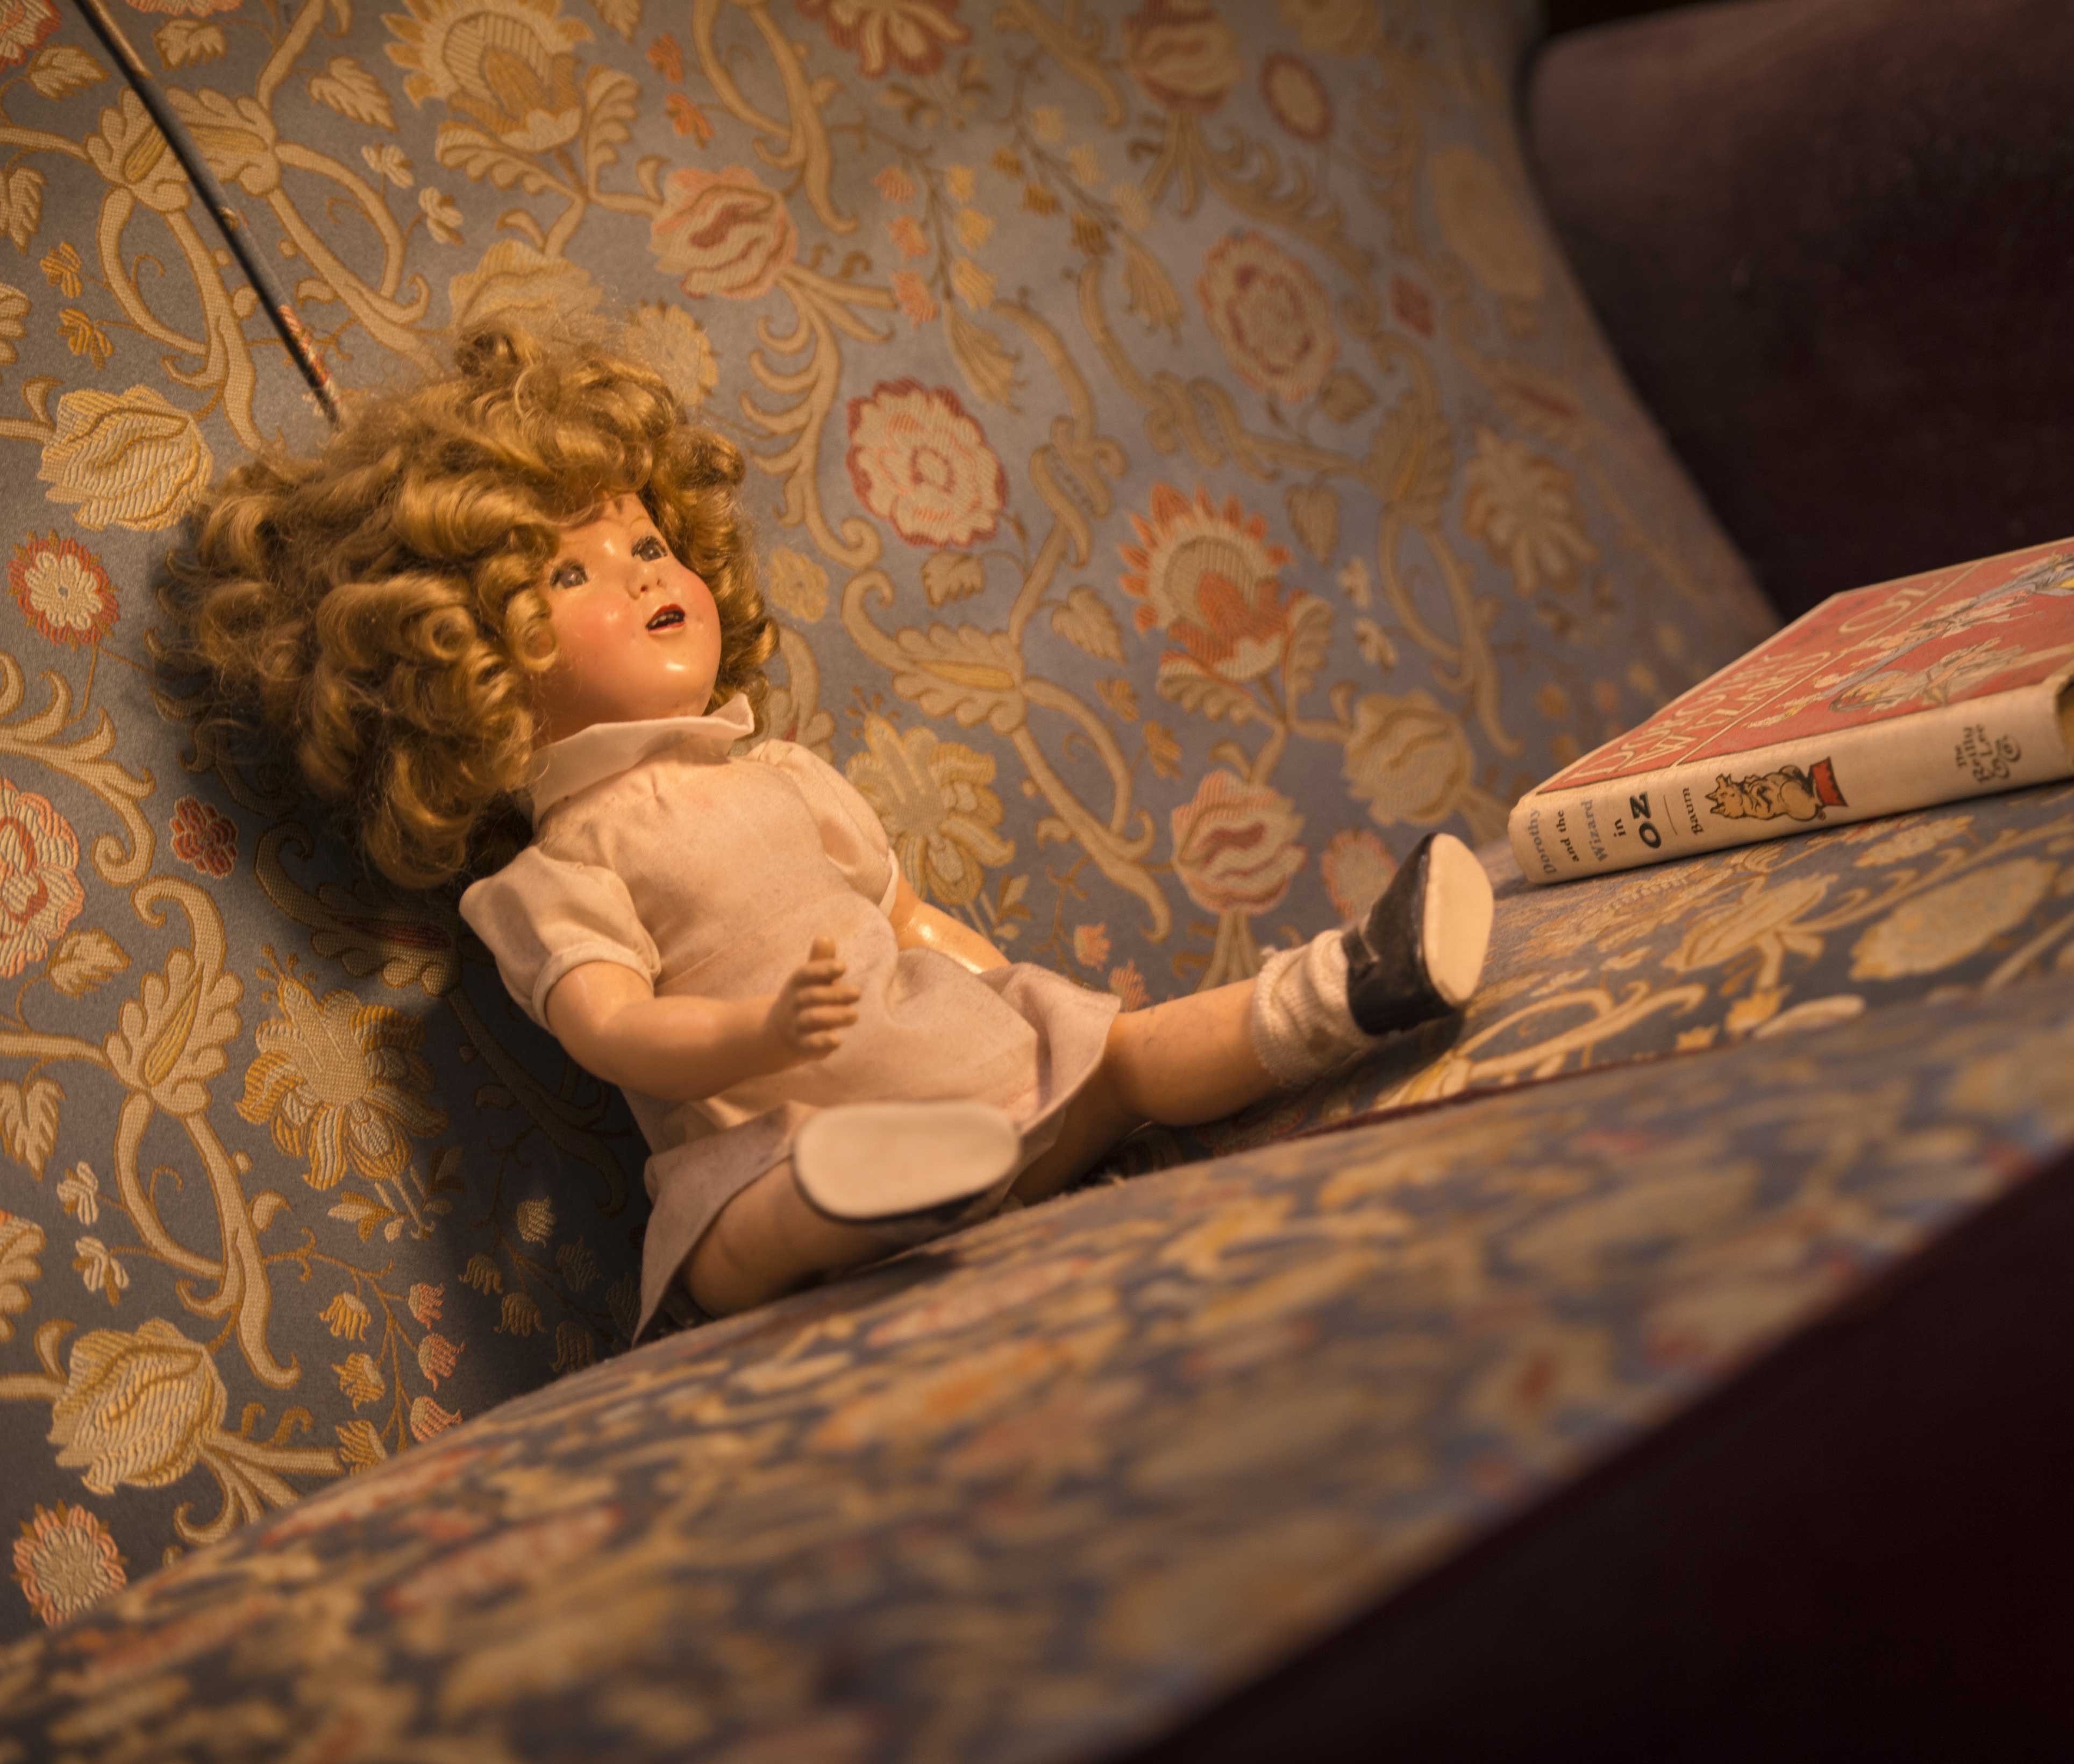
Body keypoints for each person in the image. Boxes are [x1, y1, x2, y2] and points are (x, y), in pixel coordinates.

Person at [167, 323, 1492, 1338]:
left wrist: (1009, 999)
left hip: (943, 1069)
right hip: (770, 1132)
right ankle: (882, 1192)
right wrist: (762, 1036)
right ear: (465, 668)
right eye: (570, 573)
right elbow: (614, 1029)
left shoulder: (786, 775)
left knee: (1122, 1055)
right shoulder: (555, 874)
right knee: (754, 1219)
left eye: (646, 544)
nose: (642, 576)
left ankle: (1343, 989)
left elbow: (906, 917)